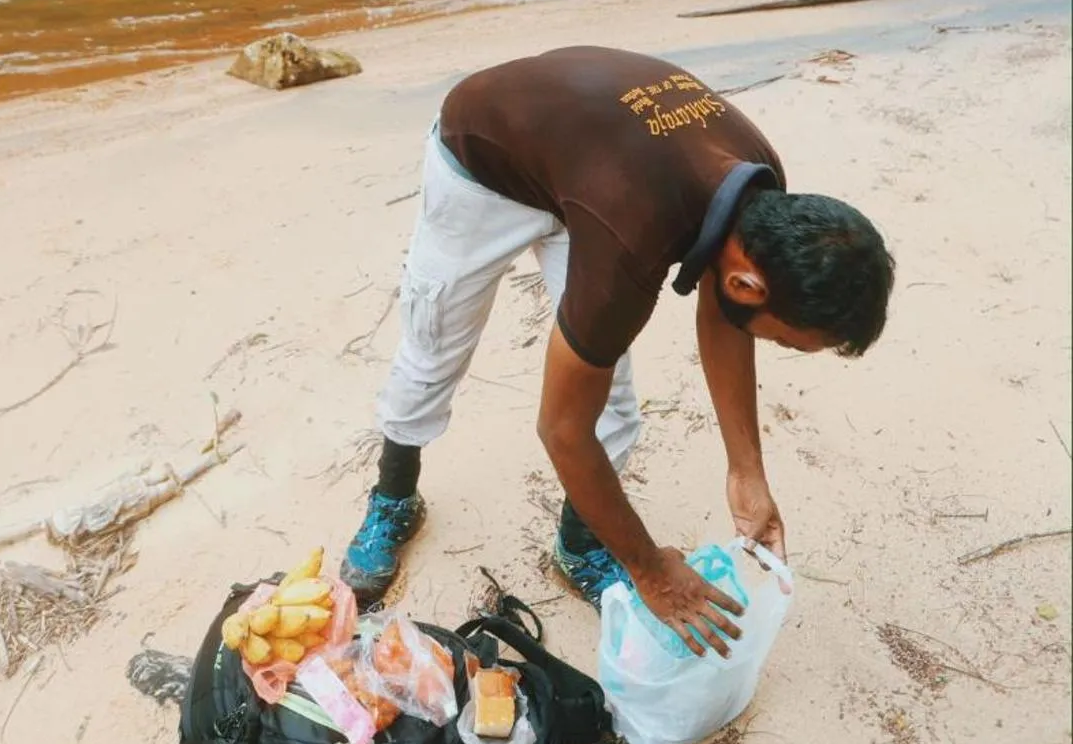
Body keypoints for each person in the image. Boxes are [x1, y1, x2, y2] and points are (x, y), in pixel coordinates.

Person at [339, 45, 893, 655]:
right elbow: (560, 428)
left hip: (590, 169)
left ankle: (578, 544)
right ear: (750, 282)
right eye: (788, 340)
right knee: (434, 349)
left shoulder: (762, 193)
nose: (778, 345)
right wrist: (650, 568)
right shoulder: (634, 237)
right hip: (484, 163)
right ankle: (394, 495)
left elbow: (725, 312)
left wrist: (746, 472)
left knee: (615, 406)